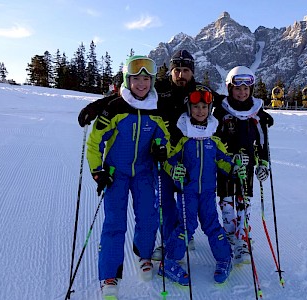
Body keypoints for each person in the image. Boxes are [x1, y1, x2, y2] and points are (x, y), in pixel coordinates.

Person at [78, 50, 209, 260]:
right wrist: (97, 106)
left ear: (192, 72)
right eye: (177, 70)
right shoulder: (160, 88)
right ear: (171, 71)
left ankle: (183, 235)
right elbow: (128, 97)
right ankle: (169, 242)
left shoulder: (201, 90)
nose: (181, 75)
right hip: (162, 153)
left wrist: (257, 112)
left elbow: (222, 104)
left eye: (186, 71)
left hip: (188, 152)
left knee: (187, 200)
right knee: (164, 201)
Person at [86, 55, 170, 299]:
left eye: (146, 78)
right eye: (136, 79)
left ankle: (145, 255)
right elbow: (94, 143)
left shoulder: (156, 109)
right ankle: (109, 275)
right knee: (115, 222)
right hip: (116, 174)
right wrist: (97, 170)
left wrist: (161, 147)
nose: (141, 84)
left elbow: (165, 137)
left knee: (148, 216)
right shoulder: (115, 108)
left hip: (144, 172)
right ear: (127, 80)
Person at [159, 85, 245, 285]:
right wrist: (174, 170)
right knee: (187, 226)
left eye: (204, 107)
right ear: (189, 109)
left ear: (210, 109)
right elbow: (168, 160)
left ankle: (225, 259)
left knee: (212, 225)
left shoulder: (213, 138)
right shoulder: (183, 137)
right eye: (196, 107)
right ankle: (169, 261)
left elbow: (223, 160)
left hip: (207, 192)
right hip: (186, 192)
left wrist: (234, 168)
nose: (200, 111)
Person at [213, 66, 273, 265]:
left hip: (246, 166)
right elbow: (215, 139)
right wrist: (227, 159)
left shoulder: (257, 113)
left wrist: (263, 163)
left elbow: (262, 142)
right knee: (227, 204)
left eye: (247, 88)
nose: (242, 92)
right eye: (238, 88)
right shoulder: (221, 111)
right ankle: (231, 237)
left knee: (243, 204)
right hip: (227, 166)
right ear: (230, 88)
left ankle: (243, 239)